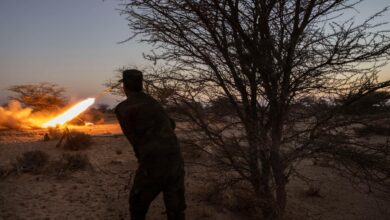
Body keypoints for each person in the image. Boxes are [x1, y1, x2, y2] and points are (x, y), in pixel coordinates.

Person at [115, 69, 186, 220]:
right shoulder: (154, 103)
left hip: (153, 164)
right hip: (175, 160)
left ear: (124, 86)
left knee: (137, 204)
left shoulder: (123, 109)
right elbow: (171, 124)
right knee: (176, 210)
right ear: (141, 84)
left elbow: (133, 137)